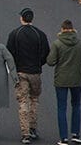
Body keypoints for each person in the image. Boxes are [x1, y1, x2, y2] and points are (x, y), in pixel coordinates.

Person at [6, 8, 50, 144]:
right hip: (35, 72)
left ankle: (25, 133)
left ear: (22, 18)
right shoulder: (40, 34)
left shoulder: (15, 34)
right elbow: (46, 54)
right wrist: (38, 64)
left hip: (21, 72)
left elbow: (9, 53)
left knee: (23, 101)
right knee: (34, 100)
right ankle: (33, 128)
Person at [46, 19, 81, 145]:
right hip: (76, 79)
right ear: (73, 29)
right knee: (76, 106)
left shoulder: (57, 44)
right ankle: (75, 134)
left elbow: (50, 61)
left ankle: (63, 137)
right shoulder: (80, 44)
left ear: (62, 29)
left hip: (61, 79)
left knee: (62, 108)